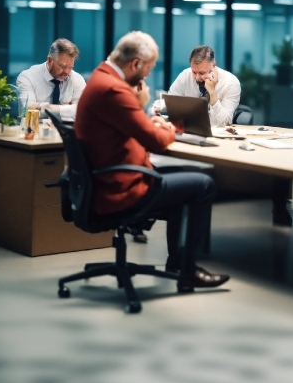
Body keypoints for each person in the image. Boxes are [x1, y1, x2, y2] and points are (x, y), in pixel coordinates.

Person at [75, 31, 229, 292]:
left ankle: (177, 263)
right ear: (135, 63)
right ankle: (188, 270)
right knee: (203, 184)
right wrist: (175, 126)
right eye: (148, 68)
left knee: (183, 173)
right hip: (121, 188)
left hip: (105, 179)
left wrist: (151, 121)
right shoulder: (114, 90)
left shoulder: (100, 78)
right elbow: (156, 142)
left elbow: (127, 124)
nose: (147, 75)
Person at [155, 45, 241, 126]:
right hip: (189, 130)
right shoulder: (185, 76)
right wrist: (159, 106)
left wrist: (212, 93)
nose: (197, 77)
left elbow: (225, 122)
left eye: (202, 73)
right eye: (194, 72)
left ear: (213, 65)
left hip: (217, 135)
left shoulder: (231, 83)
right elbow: (171, 102)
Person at [16, 38, 86, 121]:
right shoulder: (27, 77)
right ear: (49, 60)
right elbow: (28, 109)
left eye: (70, 67)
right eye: (62, 66)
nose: (66, 72)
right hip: (34, 131)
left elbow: (84, 111)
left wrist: (44, 107)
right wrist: (67, 108)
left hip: (66, 131)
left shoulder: (77, 79)